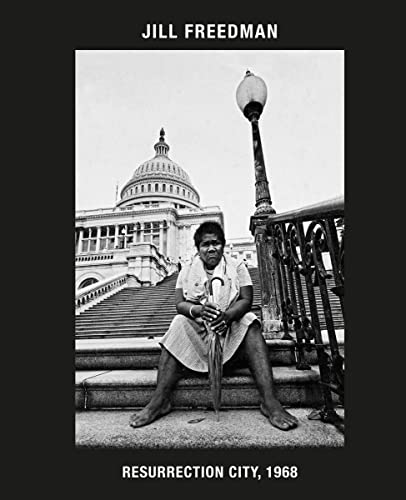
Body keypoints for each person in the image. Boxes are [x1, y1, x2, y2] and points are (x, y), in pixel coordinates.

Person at [129, 221, 298, 431]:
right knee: (179, 322)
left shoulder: (237, 266)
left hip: (229, 330)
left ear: (223, 245)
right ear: (198, 249)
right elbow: (179, 303)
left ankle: (270, 402)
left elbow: (246, 299)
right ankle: (160, 401)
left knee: (250, 321)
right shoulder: (187, 270)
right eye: (205, 244)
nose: (211, 248)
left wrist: (227, 316)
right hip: (200, 331)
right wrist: (198, 310)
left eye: (215, 243)